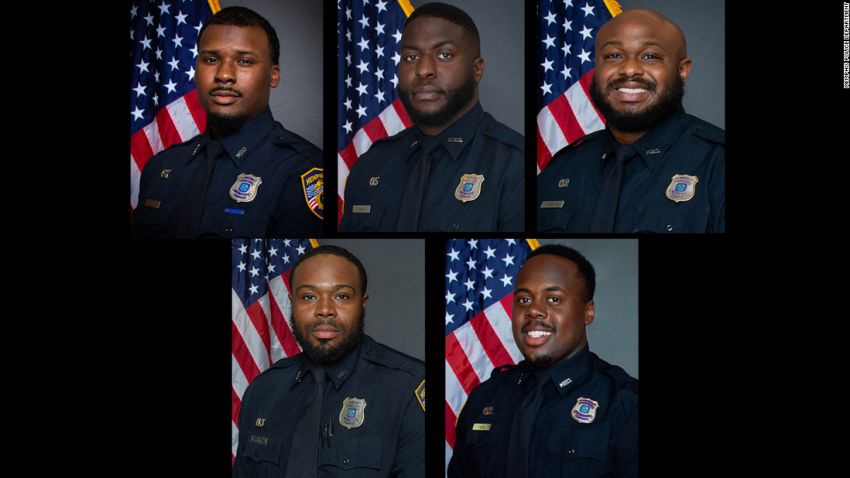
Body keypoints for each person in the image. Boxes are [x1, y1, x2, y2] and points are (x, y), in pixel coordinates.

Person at [233, 245, 425, 478]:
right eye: (309, 297)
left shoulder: (407, 389)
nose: (325, 310)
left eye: (342, 296)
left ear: (362, 303)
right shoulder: (263, 390)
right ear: (292, 302)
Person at [448, 244, 638, 478]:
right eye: (524, 300)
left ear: (588, 312)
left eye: (553, 299)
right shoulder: (484, 398)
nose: (534, 310)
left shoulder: (625, 404)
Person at [133, 6, 323, 238]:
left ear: (274, 75)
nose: (224, 74)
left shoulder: (302, 172)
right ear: (195, 70)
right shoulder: (160, 167)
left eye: (244, 61)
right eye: (211, 59)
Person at [340, 2, 524, 232]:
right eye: (410, 57)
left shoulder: (514, 165)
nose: (423, 69)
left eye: (445, 55)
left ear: (477, 70)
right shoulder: (370, 164)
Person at [537, 8, 724, 233]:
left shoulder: (718, 163)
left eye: (650, 56)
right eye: (614, 56)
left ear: (682, 70)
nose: (630, 69)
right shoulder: (560, 167)